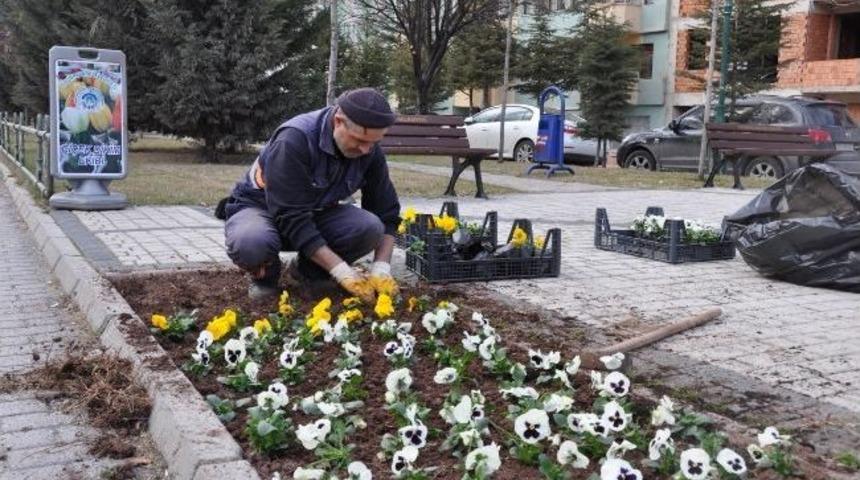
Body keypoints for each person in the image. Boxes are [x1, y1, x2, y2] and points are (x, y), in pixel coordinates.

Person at [221, 88, 401, 303]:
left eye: (374, 142)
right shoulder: (294, 140)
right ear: (338, 121)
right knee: (251, 241)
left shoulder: (369, 150)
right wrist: (342, 271)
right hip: (261, 209)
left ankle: (309, 272)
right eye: (359, 140)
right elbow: (290, 216)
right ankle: (267, 279)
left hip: (314, 213)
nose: (366, 150)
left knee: (370, 227)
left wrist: (381, 269)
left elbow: (386, 213)